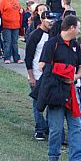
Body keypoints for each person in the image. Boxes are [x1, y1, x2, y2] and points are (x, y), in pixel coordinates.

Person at [39, 15, 81, 161]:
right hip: (56, 91)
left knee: (76, 126)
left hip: (72, 91)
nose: (79, 30)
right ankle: (53, 157)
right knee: (56, 127)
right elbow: (42, 66)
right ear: (71, 28)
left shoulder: (75, 46)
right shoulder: (52, 44)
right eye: (78, 27)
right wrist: (62, 74)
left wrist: (74, 77)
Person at [25, 11, 56, 140]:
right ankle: (39, 129)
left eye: (52, 19)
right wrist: (31, 76)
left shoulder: (54, 34)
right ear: (42, 19)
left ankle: (49, 128)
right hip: (37, 75)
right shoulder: (35, 35)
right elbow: (28, 57)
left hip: (50, 75)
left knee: (51, 102)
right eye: (48, 19)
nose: (51, 22)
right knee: (38, 103)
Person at [0, 0, 23, 64]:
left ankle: (16, 58)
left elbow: (19, 8)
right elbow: (0, 12)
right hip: (7, 25)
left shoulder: (15, 0)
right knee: (7, 42)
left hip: (16, 24)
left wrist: (21, 10)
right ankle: (7, 57)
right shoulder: (3, 1)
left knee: (14, 42)